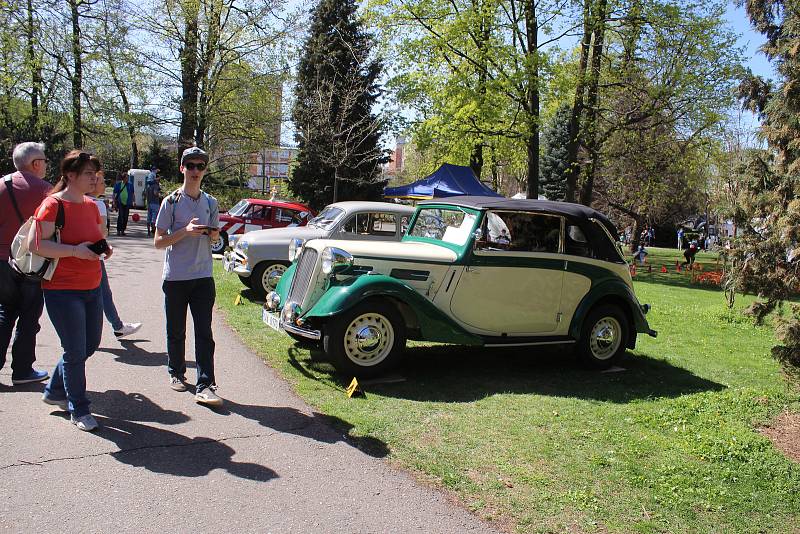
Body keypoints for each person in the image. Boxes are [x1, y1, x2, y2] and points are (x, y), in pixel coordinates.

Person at [32, 150, 111, 432]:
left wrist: (103, 248)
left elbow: (96, 237)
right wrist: (75, 252)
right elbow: (37, 245)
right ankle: (79, 408)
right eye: (89, 173)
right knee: (75, 350)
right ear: (70, 176)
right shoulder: (52, 205)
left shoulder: (91, 205)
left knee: (89, 345)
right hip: (62, 290)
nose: (94, 178)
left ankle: (54, 390)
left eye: (95, 173)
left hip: (92, 286)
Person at [154, 146, 223, 407]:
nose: (195, 171)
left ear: (205, 170)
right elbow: (158, 242)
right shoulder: (170, 201)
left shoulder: (211, 202)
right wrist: (185, 231)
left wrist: (213, 235)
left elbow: (215, 238)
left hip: (203, 276)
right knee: (176, 330)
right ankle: (176, 372)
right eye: (190, 166)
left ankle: (205, 383)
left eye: (200, 166)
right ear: (182, 168)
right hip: (176, 278)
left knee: (204, 332)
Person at [0, 142, 52, 385]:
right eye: (45, 160)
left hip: (2, 261)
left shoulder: (2, 185)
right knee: (29, 315)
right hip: (31, 263)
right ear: (36, 163)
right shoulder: (47, 192)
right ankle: (22, 370)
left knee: (4, 313)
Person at [89, 173, 142, 338]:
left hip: (78, 256)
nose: (105, 185)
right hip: (94, 256)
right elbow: (101, 233)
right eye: (102, 182)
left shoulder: (72, 201)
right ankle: (117, 326)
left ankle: (116, 325)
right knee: (103, 293)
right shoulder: (97, 204)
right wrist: (105, 247)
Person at [113, 172, 134, 236]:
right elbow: (114, 193)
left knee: (125, 217)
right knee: (121, 216)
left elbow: (133, 194)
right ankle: (118, 230)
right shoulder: (119, 184)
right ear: (123, 178)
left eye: (128, 178)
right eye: (126, 178)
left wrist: (134, 201)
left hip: (127, 203)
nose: (127, 179)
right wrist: (114, 202)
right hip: (120, 202)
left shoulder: (130, 185)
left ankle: (123, 230)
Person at [145, 170, 162, 236]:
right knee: (154, 219)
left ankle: (148, 231)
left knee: (149, 217)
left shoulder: (148, 186)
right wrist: (159, 194)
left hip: (149, 203)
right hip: (155, 203)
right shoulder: (155, 185)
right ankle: (153, 231)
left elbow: (145, 194)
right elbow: (155, 193)